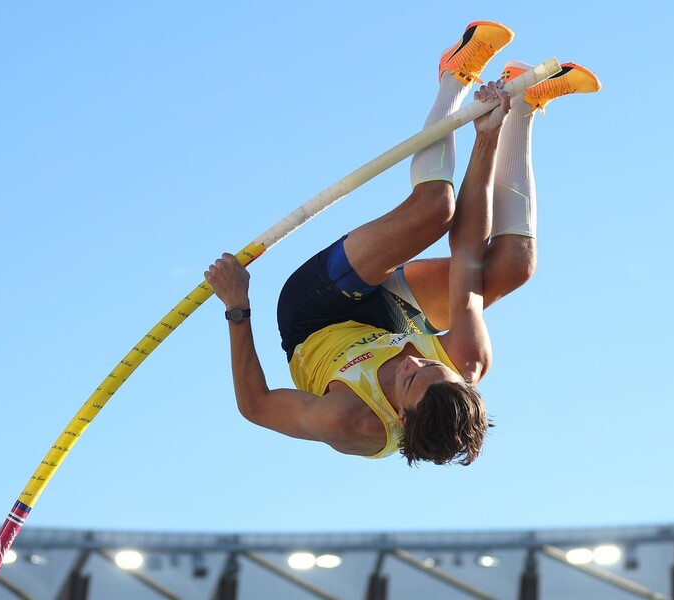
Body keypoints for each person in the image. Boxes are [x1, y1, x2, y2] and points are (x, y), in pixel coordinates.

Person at [204, 21, 600, 466]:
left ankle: (454, 77)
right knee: (514, 266)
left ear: (403, 420)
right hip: (386, 320)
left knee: (434, 208)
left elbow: (255, 405)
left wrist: (237, 307)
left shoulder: (353, 422)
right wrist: (486, 137)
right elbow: (467, 252)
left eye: (410, 381)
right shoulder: (465, 360)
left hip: (314, 318)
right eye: (432, 366)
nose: (412, 361)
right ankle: (521, 103)